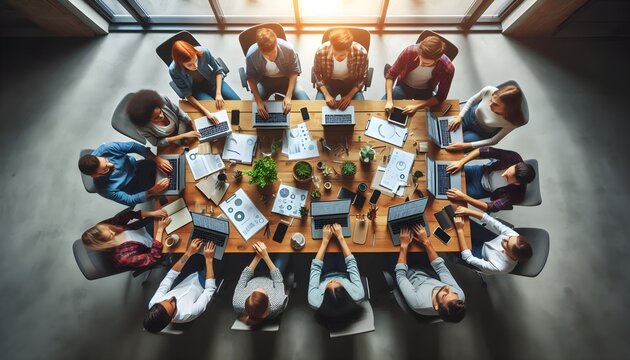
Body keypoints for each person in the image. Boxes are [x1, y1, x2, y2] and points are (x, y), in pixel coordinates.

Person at [395, 225, 466, 323]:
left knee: (390, 243)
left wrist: (404, 246)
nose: (447, 288)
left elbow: (400, 275)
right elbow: (441, 269)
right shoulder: (459, 296)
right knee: (421, 233)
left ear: (436, 307)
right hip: (426, 270)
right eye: (453, 293)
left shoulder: (418, 303)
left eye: (444, 295)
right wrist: (426, 242)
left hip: (406, 274)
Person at [144, 239, 218, 333]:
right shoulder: (189, 313)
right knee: (219, 252)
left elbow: (169, 277)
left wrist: (188, 253)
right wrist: (209, 260)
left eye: (165, 300)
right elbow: (210, 289)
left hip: (185, 277)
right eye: (172, 303)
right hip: (203, 283)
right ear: (171, 319)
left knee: (198, 244)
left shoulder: (154, 303)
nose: (171, 298)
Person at [169, 40, 240, 125]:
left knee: (238, 102)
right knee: (216, 111)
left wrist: (218, 93)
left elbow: (218, 71)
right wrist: (207, 113)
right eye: (189, 65)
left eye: (195, 60)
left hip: (213, 82)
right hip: (197, 90)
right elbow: (187, 95)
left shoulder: (204, 52)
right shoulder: (174, 71)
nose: (196, 66)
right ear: (180, 64)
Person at [78, 141, 171, 206]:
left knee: (169, 165)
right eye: (105, 169)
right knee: (170, 193)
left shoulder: (106, 149)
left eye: (106, 160)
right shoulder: (103, 189)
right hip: (134, 186)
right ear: (95, 176)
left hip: (138, 166)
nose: (111, 165)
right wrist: (153, 191)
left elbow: (134, 146)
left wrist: (156, 159)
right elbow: (129, 200)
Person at [445, 146, 536, 213]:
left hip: (482, 189)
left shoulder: (516, 195)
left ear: (517, 183)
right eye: (507, 170)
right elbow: (483, 150)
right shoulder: (513, 158)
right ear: (515, 165)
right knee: (446, 171)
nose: (503, 174)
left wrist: (463, 197)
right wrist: (461, 162)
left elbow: (490, 207)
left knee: (448, 194)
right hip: (480, 171)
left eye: (507, 177)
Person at [245, 27, 310, 119]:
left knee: (306, 103)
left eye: (273, 53)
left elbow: (294, 71)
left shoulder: (288, 49)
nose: (271, 58)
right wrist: (258, 101)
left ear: (276, 43)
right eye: (267, 55)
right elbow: (250, 77)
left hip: (286, 80)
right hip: (264, 82)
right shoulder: (251, 55)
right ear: (260, 50)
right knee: (255, 111)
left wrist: (288, 96)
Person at [308, 224, 364, 327]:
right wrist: (340, 237)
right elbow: (351, 265)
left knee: (324, 243)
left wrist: (325, 240)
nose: (333, 280)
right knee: (344, 242)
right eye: (339, 285)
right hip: (345, 271)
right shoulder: (358, 295)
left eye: (329, 286)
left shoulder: (314, 301)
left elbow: (315, 268)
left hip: (324, 272)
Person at [383, 36, 455, 116]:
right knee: (381, 107)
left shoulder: (447, 68)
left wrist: (417, 107)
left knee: (426, 120)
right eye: (420, 58)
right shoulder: (409, 51)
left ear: (438, 59)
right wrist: (389, 101)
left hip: (425, 91)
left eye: (426, 63)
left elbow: (440, 97)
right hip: (403, 87)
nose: (421, 64)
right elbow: (391, 75)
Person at [81, 208, 169, 269]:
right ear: (104, 244)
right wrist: (160, 230)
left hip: (146, 226)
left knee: (170, 210)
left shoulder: (102, 226)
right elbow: (153, 257)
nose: (113, 232)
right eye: (110, 236)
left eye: (109, 229)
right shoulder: (122, 257)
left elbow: (129, 215)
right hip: (157, 244)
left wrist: (152, 213)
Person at [454, 207, 532, 275]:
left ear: (513, 255)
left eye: (507, 244)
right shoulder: (514, 236)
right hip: (489, 240)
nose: (505, 238)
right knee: (459, 218)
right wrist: (468, 211)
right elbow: (490, 221)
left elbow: (468, 257)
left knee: (451, 240)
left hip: (480, 255)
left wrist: (460, 230)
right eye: (509, 238)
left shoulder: (499, 267)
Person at [446, 85, 526, 151]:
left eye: (496, 105)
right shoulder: (489, 90)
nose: (490, 105)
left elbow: (494, 140)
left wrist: (466, 145)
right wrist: (460, 116)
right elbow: (472, 100)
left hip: (480, 132)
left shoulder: (511, 122)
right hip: (468, 117)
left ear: (508, 109)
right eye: (491, 100)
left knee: (456, 147)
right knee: (446, 132)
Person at [232, 242, 289, 327]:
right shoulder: (277, 303)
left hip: (254, 273)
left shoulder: (238, 302)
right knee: (285, 249)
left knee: (253, 246)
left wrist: (258, 256)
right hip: (272, 276)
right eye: (264, 292)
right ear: (269, 304)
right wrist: (265, 257)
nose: (259, 287)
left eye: (253, 292)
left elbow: (244, 277)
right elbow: (278, 280)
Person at [313, 28, 369, 110]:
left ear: (349, 48)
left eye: (342, 55)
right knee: (319, 110)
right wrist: (327, 95)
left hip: (351, 84)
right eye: (335, 54)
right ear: (331, 45)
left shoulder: (361, 53)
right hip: (329, 82)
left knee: (359, 111)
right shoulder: (321, 51)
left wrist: (349, 96)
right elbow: (317, 74)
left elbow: (362, 79)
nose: (337, 58)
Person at [125, 89, 200, 147]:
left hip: (181, 126)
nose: (161, 116)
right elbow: (156, 142)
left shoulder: (163, 99)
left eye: (160, 111)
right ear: (147, 121)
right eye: (156, 117)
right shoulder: (142, 127)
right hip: (170, 141)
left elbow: (180, 114)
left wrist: (194, 126)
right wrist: (182, 136)